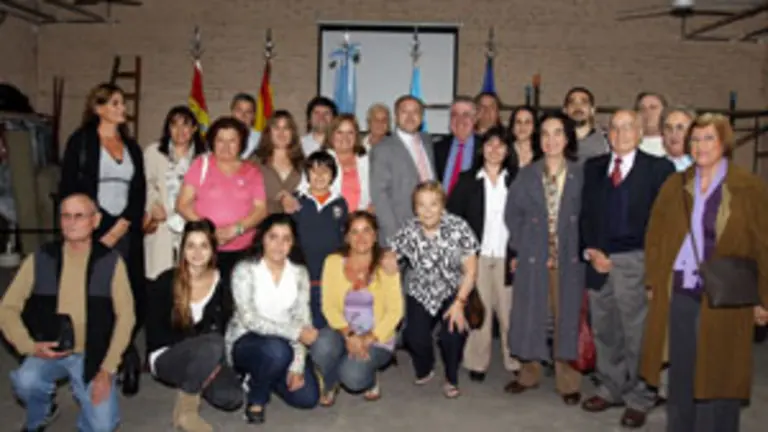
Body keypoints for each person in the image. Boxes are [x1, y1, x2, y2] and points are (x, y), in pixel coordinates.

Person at [640, 113, 768, 432]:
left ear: (724, 142)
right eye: (695, 139)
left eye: (709, 138)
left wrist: (763, 298)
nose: (701, 146)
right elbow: (655, 235)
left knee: (721, 374)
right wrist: (654, 280)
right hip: (681, 292)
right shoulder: (675, 185)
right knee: (682, 372)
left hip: (728, 296)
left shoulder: (749, 187)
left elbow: (764, 245)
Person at [0, 193, 135, 432]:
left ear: (95, 220)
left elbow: (126, 317)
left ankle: (87, 414)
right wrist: (29, 345)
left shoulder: (110, 262)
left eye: (79, 216)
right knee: (26, 381)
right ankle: (42, 413)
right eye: (65, 216)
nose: (71, 222)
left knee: (102, 426)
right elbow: (7, 307)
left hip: (94, 355)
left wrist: (107, 369)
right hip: (51, 350)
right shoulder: (41, 258)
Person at [579, 110, 675, 428]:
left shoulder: (658, 169)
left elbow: (665, 224)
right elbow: (584, 215)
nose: (620, 134)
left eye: (628, 127)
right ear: (607, 134)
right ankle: (611, 388)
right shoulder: (593, 168)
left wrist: (655, 270)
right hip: (598, 261)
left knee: (638, 335)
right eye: (615, 128)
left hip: (637, 262)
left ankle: (641, 396)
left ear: (640, 132)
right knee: (605, 330)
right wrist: (590, 251)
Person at [59, 82, 146, 393]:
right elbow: (70, 187)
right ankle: (100, 356)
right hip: (93, 227)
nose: (122, 108)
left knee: (129, 292)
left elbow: (139, 190)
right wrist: (101, 226)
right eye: (115, 103)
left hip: (127, 230)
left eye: (122, 103)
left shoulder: (131, 146)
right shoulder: (81, 142)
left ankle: (125, 352)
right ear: (98, 108)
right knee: (97, 294)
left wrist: (124, 223)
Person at [502, 112, 584, 405]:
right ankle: (528, 374)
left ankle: (568, 381)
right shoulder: (527, 175)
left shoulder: (581, 174)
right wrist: (522, 246)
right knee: (530, 314)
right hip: (534, 256)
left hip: (569, 257)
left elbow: (589, 215)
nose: (551, 140)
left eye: (558, 133)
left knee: (567, 317)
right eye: (545, 134)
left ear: (567, 138)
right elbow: (512, 215)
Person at [146, 220, 242, 432]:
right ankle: (187, 411)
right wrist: (196, 349)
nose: (197, 253)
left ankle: (195, 379)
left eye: (203, 246)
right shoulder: (165, 281)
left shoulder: (223, 283)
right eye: (191, 246)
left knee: (231, 398)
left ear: (213, 250)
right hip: (167, 356)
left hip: (209, 354)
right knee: (212, 343)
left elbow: (229, 327)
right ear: (182, 249)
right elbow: (155, 333)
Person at [226, 213, 320, 424]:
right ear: (262, 238)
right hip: (246, 341)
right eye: (273, 237)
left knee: (307, 398)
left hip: (285, 345)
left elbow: (303, 320)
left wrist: (297, 366)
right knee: (277, 350)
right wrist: (295, 333)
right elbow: (249, 319)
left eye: (286, 239)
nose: (279, 245)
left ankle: (266, 375)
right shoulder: (245, 269)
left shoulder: (299, 273)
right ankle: (257, 399)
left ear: (293, 243)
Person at [389, 181, 479, 398]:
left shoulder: (459, 227)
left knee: (452, 334)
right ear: (415, 208)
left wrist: (460, 303)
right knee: (414, 337)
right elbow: (391, 255)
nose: (428, 210)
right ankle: (426, 366)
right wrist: (386, 260)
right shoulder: (409, 229)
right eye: (421, 205)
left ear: (442, 205)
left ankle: (451, 377)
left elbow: (471, 271)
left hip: (453, 291)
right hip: (420, 290)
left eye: (433, 204)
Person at [447, 127, 518, 383]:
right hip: (477, 257)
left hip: (508, 256)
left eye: (501, 145)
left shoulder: (517, 180)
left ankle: (514, 359)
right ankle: (477, 362)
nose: (494, 149)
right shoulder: (468, 180)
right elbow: (453, 220)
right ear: (482, 148)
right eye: (490, 144)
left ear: (508, 150)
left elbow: (526, 220)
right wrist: (463, 255)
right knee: (479, 312)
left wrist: (519, 252)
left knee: (509, 313)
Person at [311, 211, 404, 405]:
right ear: (346, 237)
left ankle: (369, 378)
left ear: (375, 235)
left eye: (366, 230)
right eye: (354, 232)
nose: (361, 237)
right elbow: (329, 306)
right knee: (321, 346)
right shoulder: (333, 262)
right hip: (344, 331)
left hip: (377, 336)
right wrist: (350, 335)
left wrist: (369, 338)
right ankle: (330, 381)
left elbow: (395, 311)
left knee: (353, 378)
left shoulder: (386, 264)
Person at [176, 116, 268, 286]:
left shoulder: (252, 171)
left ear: (241, 143)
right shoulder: (200, 165)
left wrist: (237, 229)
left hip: (243, 250)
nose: (226, 146)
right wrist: (210, 231)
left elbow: (261, 210)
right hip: (205, 250)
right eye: (220, 140)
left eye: (232, 141)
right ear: (212, 142)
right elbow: (182, 204)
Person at [143, 105, 207, 279]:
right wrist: (153, 204)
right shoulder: (154, 152)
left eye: (185, 124)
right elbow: (146, 183)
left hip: (191, 224)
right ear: (168, 128)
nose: (180, 130)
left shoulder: (203, 158)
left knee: (190, 277)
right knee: (159, 277)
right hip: (161, 223)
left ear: (194, 128)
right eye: (174, 125)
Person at [290, 152, 349, 328]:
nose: (320, 175)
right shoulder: (296, 201)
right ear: (307, 174)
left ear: (333, 175)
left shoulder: (340, 203)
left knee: (326, 319)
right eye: (314, 171)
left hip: (330, 275)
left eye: (325, 171)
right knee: (303, 319)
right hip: (303, 272)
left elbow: (344, 237)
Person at [370, 95, 436, 245]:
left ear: (422, 117)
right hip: (400, 233)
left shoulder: (427, 141)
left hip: (430, 231)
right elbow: (379, 197)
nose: (410, 117)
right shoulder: (382, 148)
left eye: (415, 112)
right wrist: (395, 237)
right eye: (404, 112)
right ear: (396, 116)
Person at [250, 110, 304, 214]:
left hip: (296, 221)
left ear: (292, 133)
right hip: (262, 220)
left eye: (286, 128)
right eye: (276, 128)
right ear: (269, 132)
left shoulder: (303, 162)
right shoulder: (255, 160)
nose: (281, 133)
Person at [434, 96, 479, 195]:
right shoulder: (437, 148)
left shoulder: (485, 148)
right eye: (454, 115)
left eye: (466, 115)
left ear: (475, 119)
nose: (459, 120)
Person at [563, 87, 609, 161]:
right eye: (572, 102)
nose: (577, 107)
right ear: (565, 110)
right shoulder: (554, 141)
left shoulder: (607, 142)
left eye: (584, 102)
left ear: (592, 110)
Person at [661, 106, 696, 172]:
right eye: (668, 128)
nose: (673, 133)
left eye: (680, 128)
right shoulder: (650, 167)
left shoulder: (704, 166)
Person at [636, 92, 668, 157]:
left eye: (653, 108)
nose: (647, 112)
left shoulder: (673, 144)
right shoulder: (627, 145)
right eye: (642, 109)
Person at [230, 93, 261, 159]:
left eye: (248, 112)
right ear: (232, 112)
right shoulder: (219, 137)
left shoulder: (260, 140)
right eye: (239, 111)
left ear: (254, 116)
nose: (243, 116)